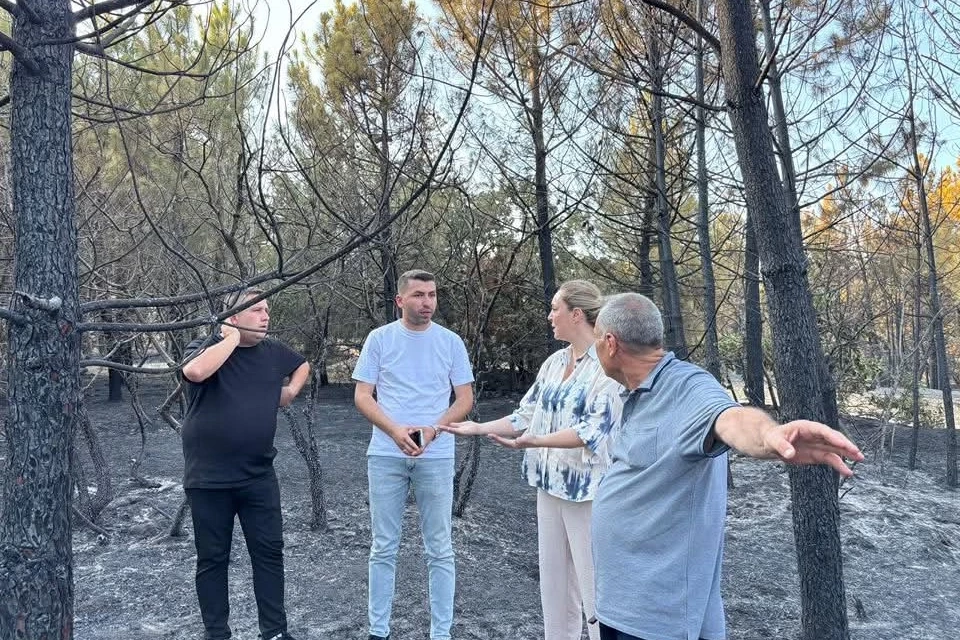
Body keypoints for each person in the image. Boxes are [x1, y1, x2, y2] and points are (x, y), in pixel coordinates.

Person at [589, 293, 864, 640]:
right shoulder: (639, 392)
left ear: (611, 343)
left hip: (660, 617)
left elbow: (728, 417)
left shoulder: (687, 387)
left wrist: (768, 435)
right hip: (621, 601)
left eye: (596, 337)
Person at [440, 280, 623, 640]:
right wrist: (476, 428)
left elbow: (593, 430)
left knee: (594, 589)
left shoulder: (607, 366)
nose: (549, 316)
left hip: (588, 491)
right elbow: (526, 414)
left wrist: (536, 441)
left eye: (555, 308)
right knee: (554, 585)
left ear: (576, 314)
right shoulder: (555, 362)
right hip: (549, 486)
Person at [180, 289, 310, 640]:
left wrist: (291, 391)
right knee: (212, 559)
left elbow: (302, 364)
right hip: (208, 479)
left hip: (258, 477)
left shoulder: (273, 352)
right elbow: (194, 372)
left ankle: (274, 632)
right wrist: (230, 339)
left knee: (268, 554)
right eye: (256, 310)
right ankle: (217, 633)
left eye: (267, 309)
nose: (266, 316)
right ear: (233, 318)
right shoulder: (206, 346)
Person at [352, 269, 475, 640]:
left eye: (433, 295)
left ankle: (441, 633)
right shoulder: (379, 339)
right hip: (386, 454)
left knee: (439, 548)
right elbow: (362, 395)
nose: (427, 303)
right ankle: (379, 631)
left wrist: (434, 430)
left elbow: (465, 398)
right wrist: (394, 430)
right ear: (400, 301)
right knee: (383, 546)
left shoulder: (451, 342)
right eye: (419, 295)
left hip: (436, 456)